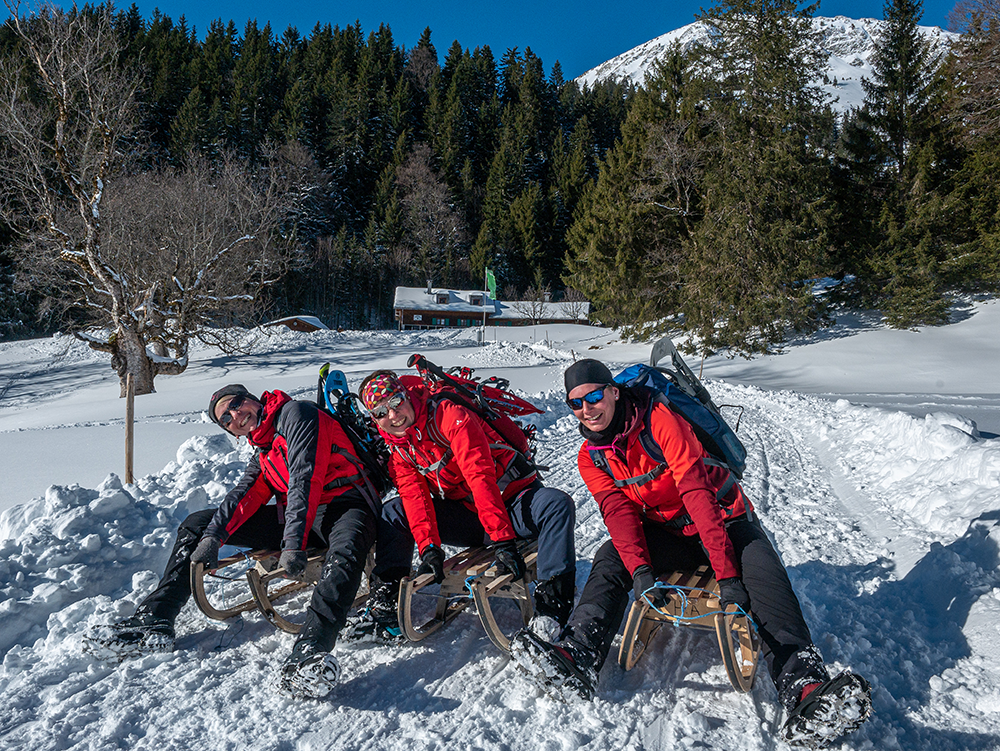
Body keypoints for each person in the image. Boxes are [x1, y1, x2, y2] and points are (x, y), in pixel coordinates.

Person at [510, 359, 872, 748]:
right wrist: (641, 572)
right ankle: (578, 652)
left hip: (724, 520)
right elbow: (619, 514)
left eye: (594, 396)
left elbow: (697, 494)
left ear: (614, 392)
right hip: (670, 533)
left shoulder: (660, 420)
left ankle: (803, 683)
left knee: (764, 573)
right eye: (575, 404)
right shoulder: (591, 456)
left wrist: (728, 576)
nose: (587, 409)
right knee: (611, 554)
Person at [82, 384, 382, 700]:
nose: (236, 415)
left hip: (349, 504)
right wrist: (213, 537)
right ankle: (155, 619)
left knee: (344, 553)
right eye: (226, 418)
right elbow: (244, 496)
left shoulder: (297, 414)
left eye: (236, 404)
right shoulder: (264, 450)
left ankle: (311, 650)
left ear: (254, 400)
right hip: (301, 516)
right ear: (232, 432)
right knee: (197, 524)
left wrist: (293, 543)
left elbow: (306, 478)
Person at [344, 369, 576, 643]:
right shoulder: (399, 447)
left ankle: (552, 612)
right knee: (395, 511)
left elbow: (480, 477)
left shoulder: (449, 415)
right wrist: (429, 549)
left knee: (557, 504)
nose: (393, 416)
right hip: (469, 516)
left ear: (406, 395)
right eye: (381, 413)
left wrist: (503, 541)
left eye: (395, 403)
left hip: (511, 504)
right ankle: (386, 608)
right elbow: (414, 498)